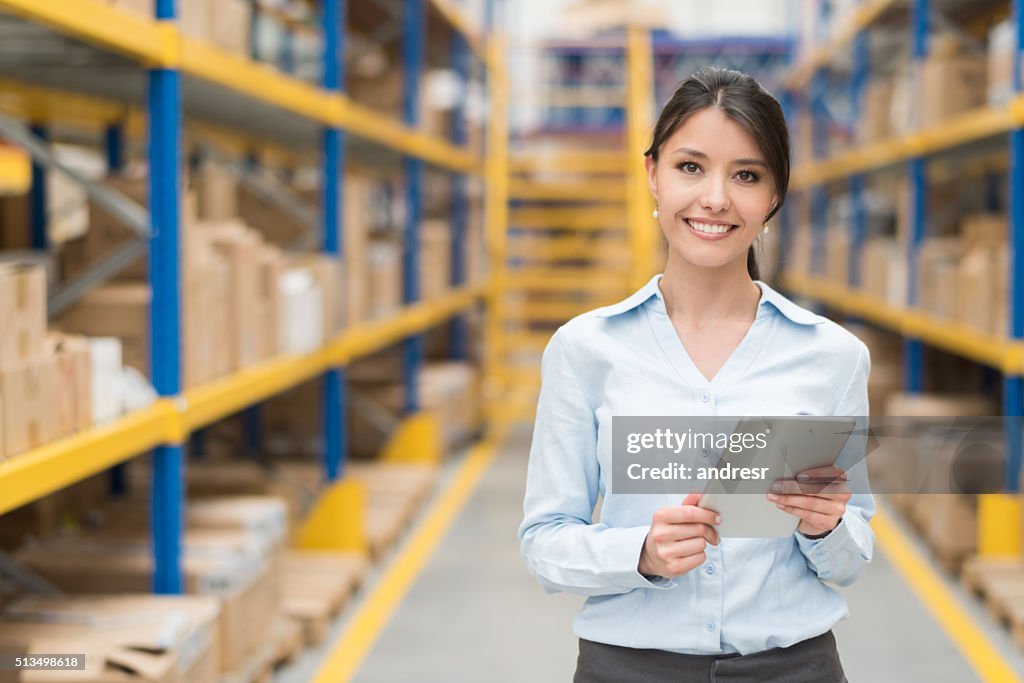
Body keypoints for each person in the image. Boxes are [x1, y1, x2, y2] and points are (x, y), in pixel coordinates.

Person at [517, 66, 873, 683]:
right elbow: (546, 542)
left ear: (774, 198)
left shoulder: (832, 357)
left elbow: (850, 557)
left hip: (794, 667)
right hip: (626, 669)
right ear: (652, 174)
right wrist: (641, 553)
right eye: (690, 167)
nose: (715, 198)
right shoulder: (585, 349)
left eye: (746, 175)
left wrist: (829, 526)